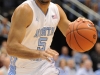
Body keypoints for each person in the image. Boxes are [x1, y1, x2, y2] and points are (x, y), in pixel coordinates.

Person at [6, 0, 92, 75]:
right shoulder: (25, 10)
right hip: (21, 70)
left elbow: (72, 33)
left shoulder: (56, 10)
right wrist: (38, 54)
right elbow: (11, 47)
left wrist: (80, 26)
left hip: (45, 67)